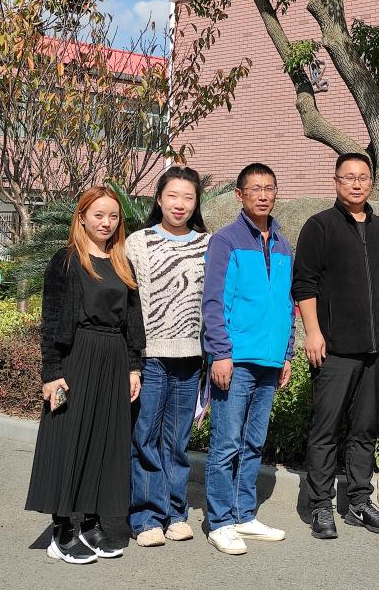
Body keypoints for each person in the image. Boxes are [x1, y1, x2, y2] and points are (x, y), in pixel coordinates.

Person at [26, 186, 145, 564]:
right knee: (69, 438)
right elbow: (50, 319)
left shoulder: (122, 262)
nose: (106, 222)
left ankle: (91, 523)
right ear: (81, 217)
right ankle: (62, 530)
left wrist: (134, 366)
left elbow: (133, 320)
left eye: (113, 216)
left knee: (104, 440)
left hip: (114, 359)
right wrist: (51, 372)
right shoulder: (66, 260)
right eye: (98, 215)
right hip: (77, 356)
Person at [293, 152, 379, 539]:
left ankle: (359, 501)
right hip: (335, 348)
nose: (356, 184)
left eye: (363, 177)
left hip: (375, 348)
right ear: (336, 181)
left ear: (371, 182)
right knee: (326, 430)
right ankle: (321, 505)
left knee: (364, 429)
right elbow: (304, 283)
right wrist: (313, 332)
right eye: (348, 177)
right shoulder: (320, 226)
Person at [201, 163, 295, 555]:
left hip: (270, 359)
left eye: (269, 188)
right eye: (255, 188)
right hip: (236, 359)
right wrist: (220, 353)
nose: (263, 195)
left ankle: (243, 514)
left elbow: (287, 303)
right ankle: (219, 521)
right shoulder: (225, 240)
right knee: (226, 442)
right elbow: (213, 301)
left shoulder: (284, 244)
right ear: (239, 195)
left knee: (254, 442)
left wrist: (287, 353)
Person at [126, 167, 212, 547]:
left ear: (196, 203)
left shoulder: (208, 244)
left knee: (177, 441)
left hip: (191, 357)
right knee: (145, 437)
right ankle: (145, 517)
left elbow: (212, 302)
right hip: (150, 357)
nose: (180, 204)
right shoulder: (138, 242)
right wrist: (132, 358)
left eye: (188, 197)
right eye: (172, 195)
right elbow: (129, 305)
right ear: (159, 199)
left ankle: (175, 512)